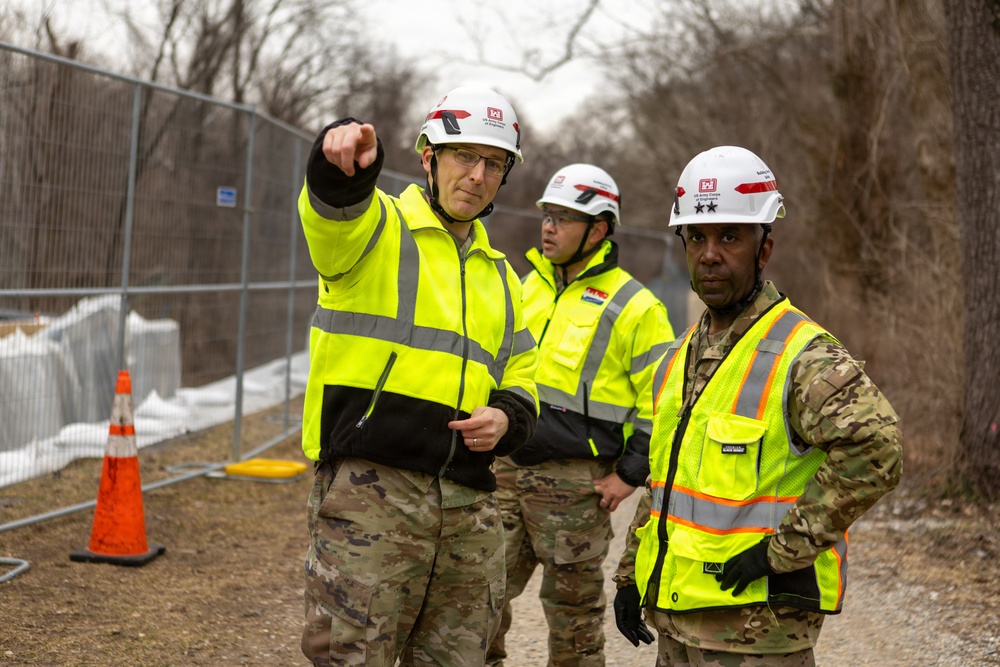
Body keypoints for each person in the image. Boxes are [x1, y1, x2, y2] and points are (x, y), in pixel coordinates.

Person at [612, 146, 903, 666]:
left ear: (763, 248)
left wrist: (783, 551)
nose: (709, 254)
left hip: (758, 637)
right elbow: (666, 480)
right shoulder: (680, 356)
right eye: (697, 237)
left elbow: (878, 449)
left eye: (730, 236)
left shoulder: (802, 352)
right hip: (678, 627)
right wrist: (632, 572)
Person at [297, 85, 540, 666]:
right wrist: (346, 163)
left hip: (468, 509)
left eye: (494, 163)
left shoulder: (502, 279)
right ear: (428, 157)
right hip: (370, 499)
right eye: (464, 156)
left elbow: (525, 375)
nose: (478, 176)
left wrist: (507, 415)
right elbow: (334, 204)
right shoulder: (374, 228)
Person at [487, 163, 675, 666]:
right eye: (547, 215)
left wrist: (629, 475)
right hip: (504, 473)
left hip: (576, 486)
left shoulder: (637, 306)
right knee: (477, 601)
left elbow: (662, 402)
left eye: (564, 218)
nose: (549, 226)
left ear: (599, 230)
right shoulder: (525, 286)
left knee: (573, 619)